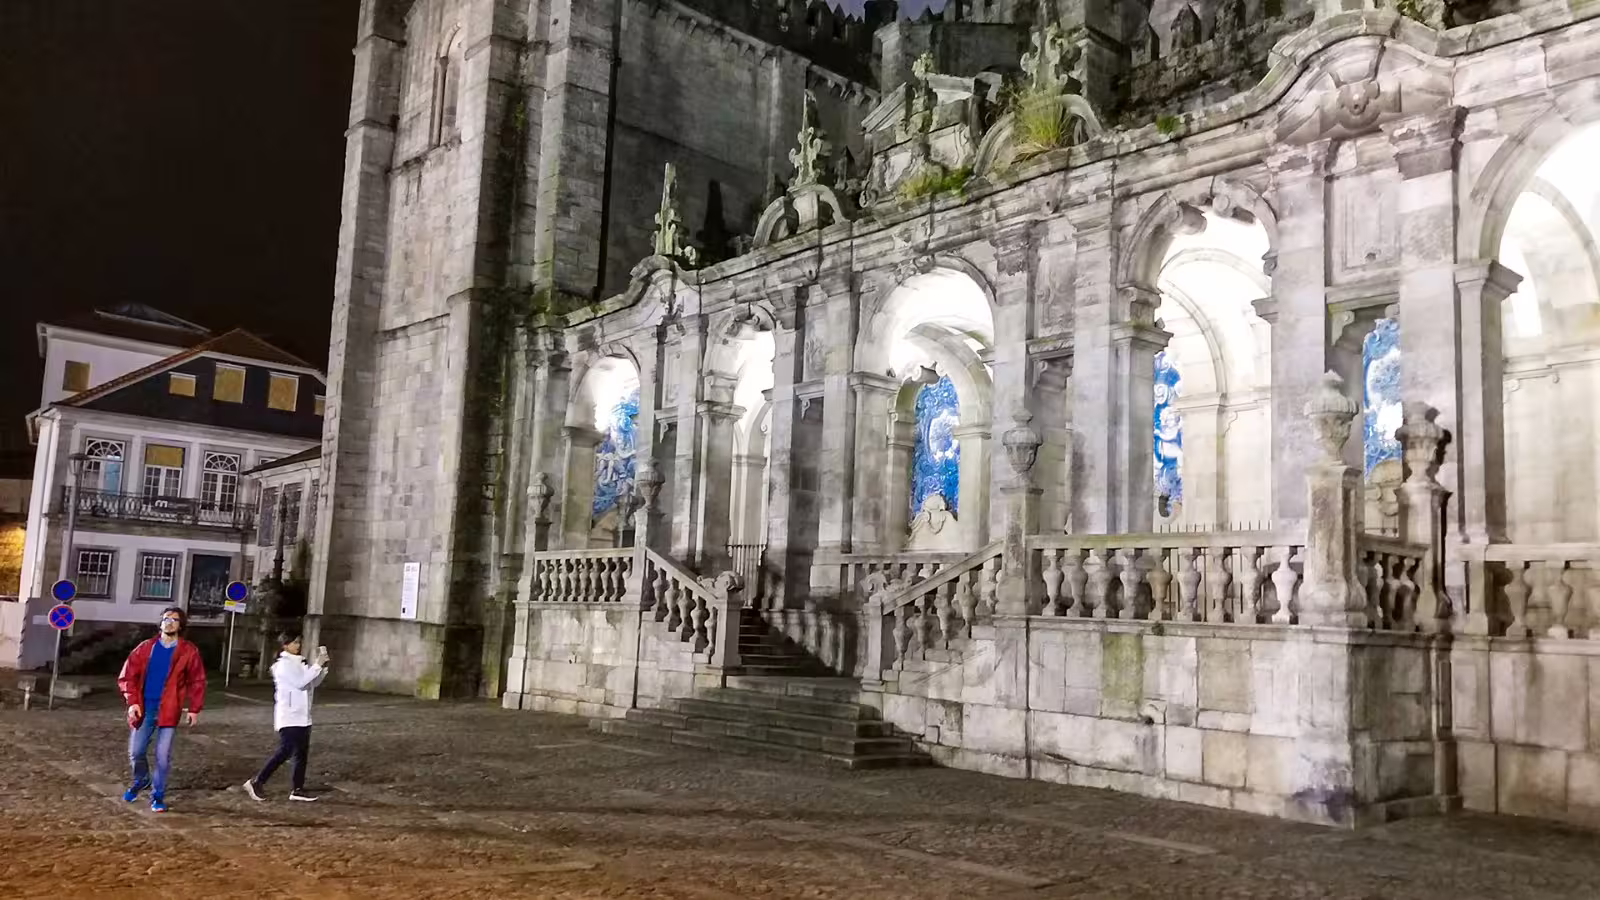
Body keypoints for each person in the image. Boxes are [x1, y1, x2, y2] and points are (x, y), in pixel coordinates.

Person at [116, 606, 207, 813]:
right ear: (160, 623)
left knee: (163, 757)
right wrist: (133, 702)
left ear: (180, 625)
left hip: (169, 710)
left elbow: (197, 680)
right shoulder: (145, 648)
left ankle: (157, 796)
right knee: (136, 752)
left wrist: (194, 708)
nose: (170, 622)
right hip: (144, 709)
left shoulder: (188, 651)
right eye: (166, 618)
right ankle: (141, 780)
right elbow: (127, 676)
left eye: (175, 619)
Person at [242, 632, 329, 802]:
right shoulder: (282, 665)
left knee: (301, 753)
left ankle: (297, 789)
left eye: (299, 642)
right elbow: (300, 683)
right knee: (286, 750)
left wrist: (322, 670)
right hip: (289, 715)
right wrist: (317, 665)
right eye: (294, 642)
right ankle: (257, 781)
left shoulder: (300, 663)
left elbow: (311, 683)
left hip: (303, 715)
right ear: (285, 645)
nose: (298, 645)